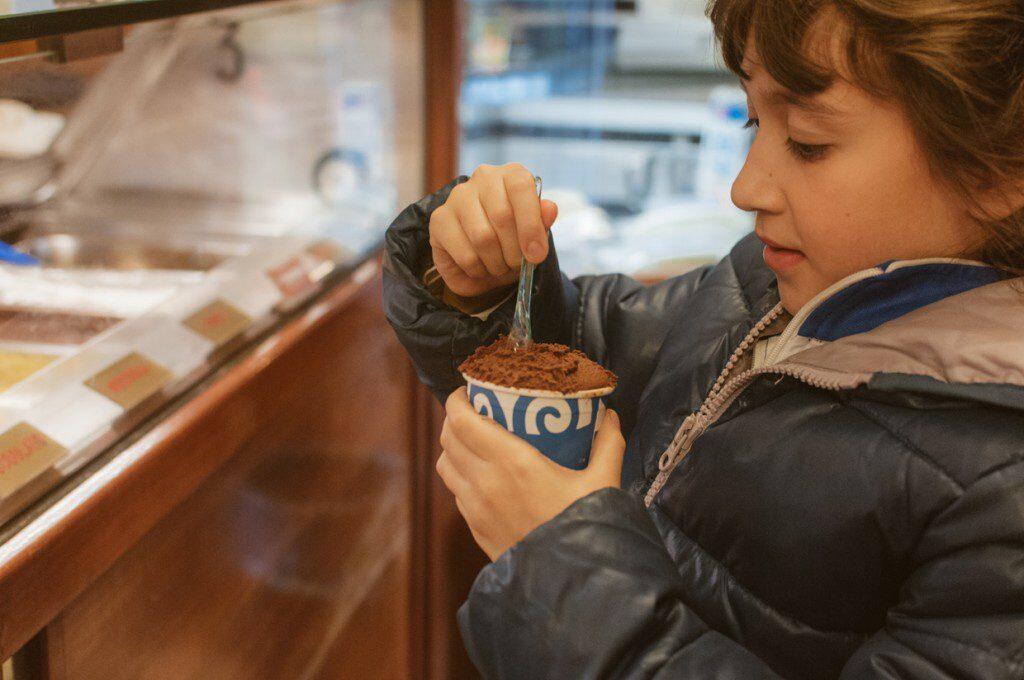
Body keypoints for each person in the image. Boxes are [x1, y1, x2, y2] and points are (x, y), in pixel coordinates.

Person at [382, 0, 1024, 677]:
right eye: (754, 120)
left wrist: (561, 566)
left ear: (997, 169)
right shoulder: (778, 286)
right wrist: (478, 284)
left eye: (808, 141)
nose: (745, 187)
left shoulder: (1000, 496)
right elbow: (597, 346)